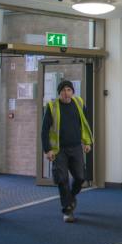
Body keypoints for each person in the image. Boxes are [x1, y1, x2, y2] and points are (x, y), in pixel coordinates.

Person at [41, 79, 94, 223]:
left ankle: (70, 198)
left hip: (76, 147)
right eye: (63, 90)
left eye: (68, 90)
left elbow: (84, 123)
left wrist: (87, 142)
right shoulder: (52, 107)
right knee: (62, 180)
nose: (66, 93)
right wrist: (48, 150)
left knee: (80, 177)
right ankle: (68, 210)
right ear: (59, 93)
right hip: (59, 150)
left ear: (72, 92)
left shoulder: (79, 103)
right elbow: (44, 130)